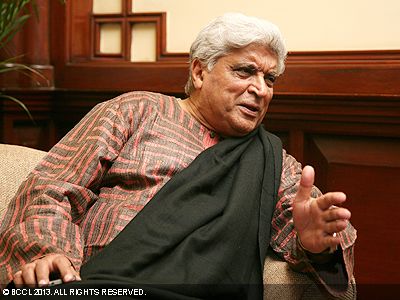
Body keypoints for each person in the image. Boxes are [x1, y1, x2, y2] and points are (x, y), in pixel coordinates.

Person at [0, 12, 356, 299]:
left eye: (270, 78)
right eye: (245, 70)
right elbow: (52, 188)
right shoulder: (136, 110)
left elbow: (319, 231)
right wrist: (48, 251)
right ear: (200, 72)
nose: (260, 89)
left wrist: (317, 245)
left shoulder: (274, 162)